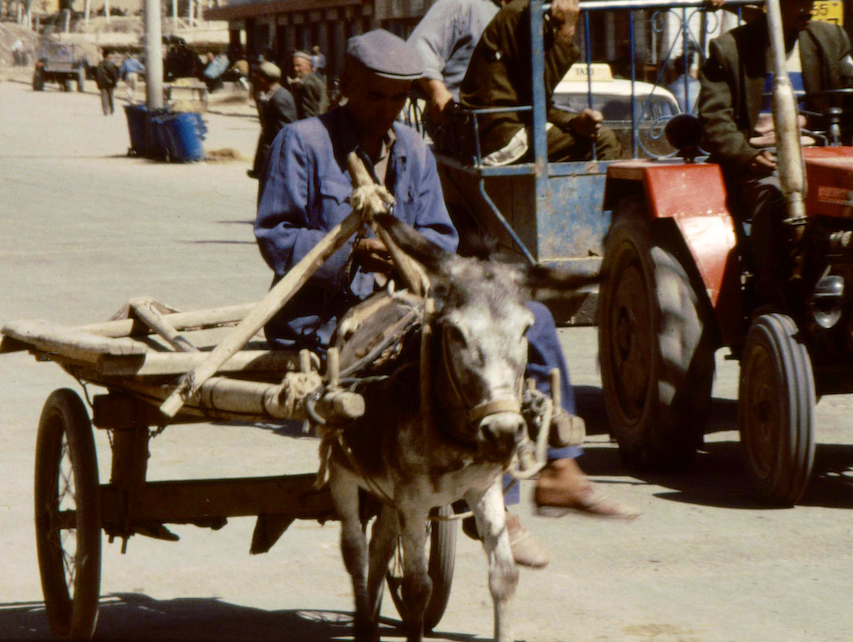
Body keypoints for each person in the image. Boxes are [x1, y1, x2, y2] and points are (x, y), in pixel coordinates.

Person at [256, 29, 637, 570]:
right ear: (345, 85)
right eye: (374, 95)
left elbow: (440, 234)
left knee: (529, 321)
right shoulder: (302, 141)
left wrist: (411, 260)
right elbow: (276, 236)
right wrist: (354, 253)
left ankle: (557, 469)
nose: (386, 109)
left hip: (409, 303)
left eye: (397, 98)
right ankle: (497, 507)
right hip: (328, 314)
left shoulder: (414, 148)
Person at [698, 0, 853, 309]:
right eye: (798, 0)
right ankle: (772, 292)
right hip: (763, 161)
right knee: (777, 196)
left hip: (820, 154)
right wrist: (747, 156)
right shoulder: (730, 48)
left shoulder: (829, 39)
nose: (808, 8)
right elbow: (715, 119)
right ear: (773, 0)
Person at [460, 0, 622, 165]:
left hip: (506, 128)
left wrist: (573, 121)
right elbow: (539, 89)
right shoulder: (523, 14)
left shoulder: (532, 12)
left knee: (592, 136)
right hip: (502, 134)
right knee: (604, 142)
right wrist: (566, 33)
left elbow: (535, 98)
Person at [407, 0, 531, 130]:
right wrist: (438, 91)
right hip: (464, 123)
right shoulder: (461, 3)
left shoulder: (526, 7)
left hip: (512, 119)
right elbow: (418, 50)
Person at [249, 60, 297, 182]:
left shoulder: (280, 98)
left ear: (262, 80)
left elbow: (287, 129)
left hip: (276, 157)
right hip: (269, 155)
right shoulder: (271, 95)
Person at [288, 50, 329, 119]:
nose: (295, 69)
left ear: (308, 66)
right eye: (294, 66)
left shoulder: (308, 84)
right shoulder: (311, 80)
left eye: (298, 65)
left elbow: (311, 111)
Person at [94, 50, 120, 116]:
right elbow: (114, 74)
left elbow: (95, 74)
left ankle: (105, 111)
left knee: (104, 97)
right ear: (107, 56)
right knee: (110, 96)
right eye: (110, 55)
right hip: (110, 83)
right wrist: (115, 82)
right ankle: (111, 110)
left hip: (101, 83)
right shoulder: (109, 64)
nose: (111, 56)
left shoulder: (99, 64)